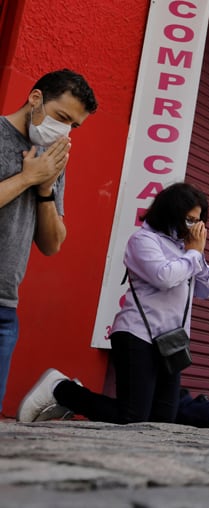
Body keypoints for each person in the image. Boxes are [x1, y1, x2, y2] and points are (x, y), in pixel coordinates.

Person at [17, 182, 209, 423]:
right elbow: (165, 277)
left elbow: (205, 289)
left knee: (162, 419)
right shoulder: (144, 240)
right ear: (171, 213)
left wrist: (197, 254)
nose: (194, 227)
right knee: (131, 416)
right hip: (138, 335)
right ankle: (61, 389)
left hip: (171, 342)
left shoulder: (186, 249)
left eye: (197, 220)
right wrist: (193, 254)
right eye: (189, 219)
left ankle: (69, 395)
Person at [0, 69, 97, 412]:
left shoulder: (51, 157)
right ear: (36, 98)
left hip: (6, 308)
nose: (65, 131)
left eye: (74, 126)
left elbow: (53, 244)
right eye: (62, 117)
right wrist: (27, 178)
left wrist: (44, 190)